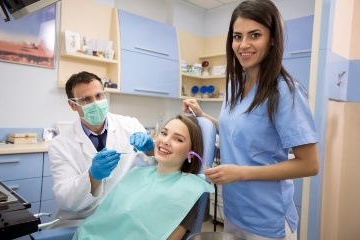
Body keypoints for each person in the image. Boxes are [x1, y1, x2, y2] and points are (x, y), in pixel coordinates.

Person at [182, 1, 319, 239]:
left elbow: (309, 164)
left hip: (266, 218)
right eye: (237, 36)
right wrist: (203, 117)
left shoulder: (284, 91)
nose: (243, 45)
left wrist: (240, 173)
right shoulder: (235, 85)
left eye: (255, 35)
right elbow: (238, 129)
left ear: (272, 39)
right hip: (235, 212)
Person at [72, 114, 214, 240]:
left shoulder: (188, 190)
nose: (165, 141)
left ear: (192, 152)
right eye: (164, 133)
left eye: (178, 139)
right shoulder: (136, 173)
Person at [48, 71, 155, 227]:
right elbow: (66, 200)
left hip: (121, 213)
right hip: (81, 220)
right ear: (73, 105)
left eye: (99, 96)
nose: (95, 103)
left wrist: (150, 149)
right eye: (86, 99)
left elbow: (160, 163)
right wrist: (93, 176)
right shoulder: (60, 145)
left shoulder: (130, 125)